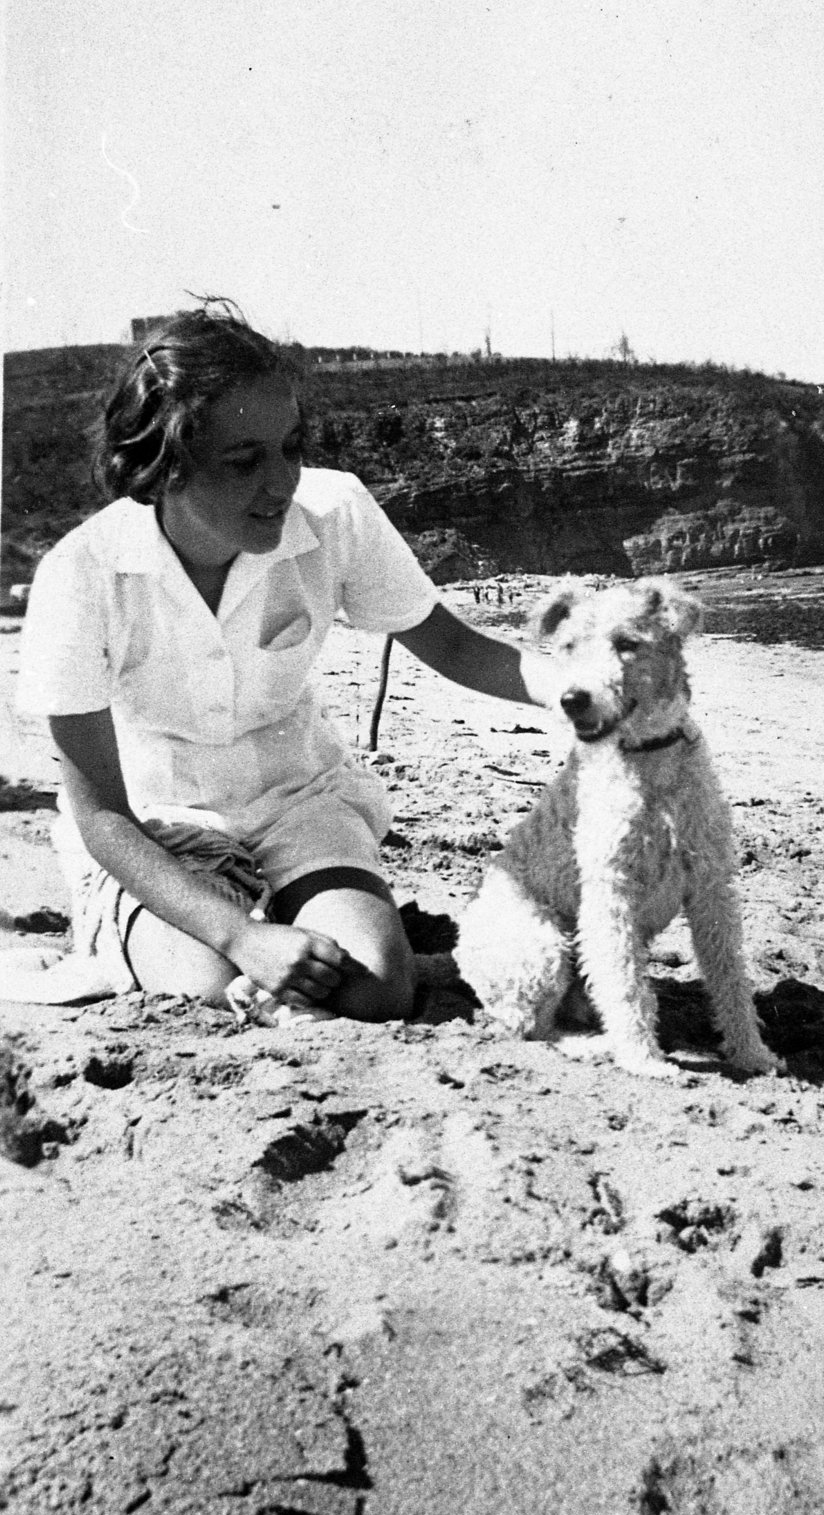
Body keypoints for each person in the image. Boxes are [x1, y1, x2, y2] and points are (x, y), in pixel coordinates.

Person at [16, 302, 554, 1023]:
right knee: (211, 983)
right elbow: (103, 815)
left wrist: (583, 690)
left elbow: (453, 646)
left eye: (291, 447)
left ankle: (333, 911)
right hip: (157, 821)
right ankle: (135, 935)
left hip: (298, 799)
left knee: (374, 989)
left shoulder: (336, 514)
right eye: (245, 461)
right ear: (165, 466)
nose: (283, 482)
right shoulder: (81, 573)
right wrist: (242, 935)